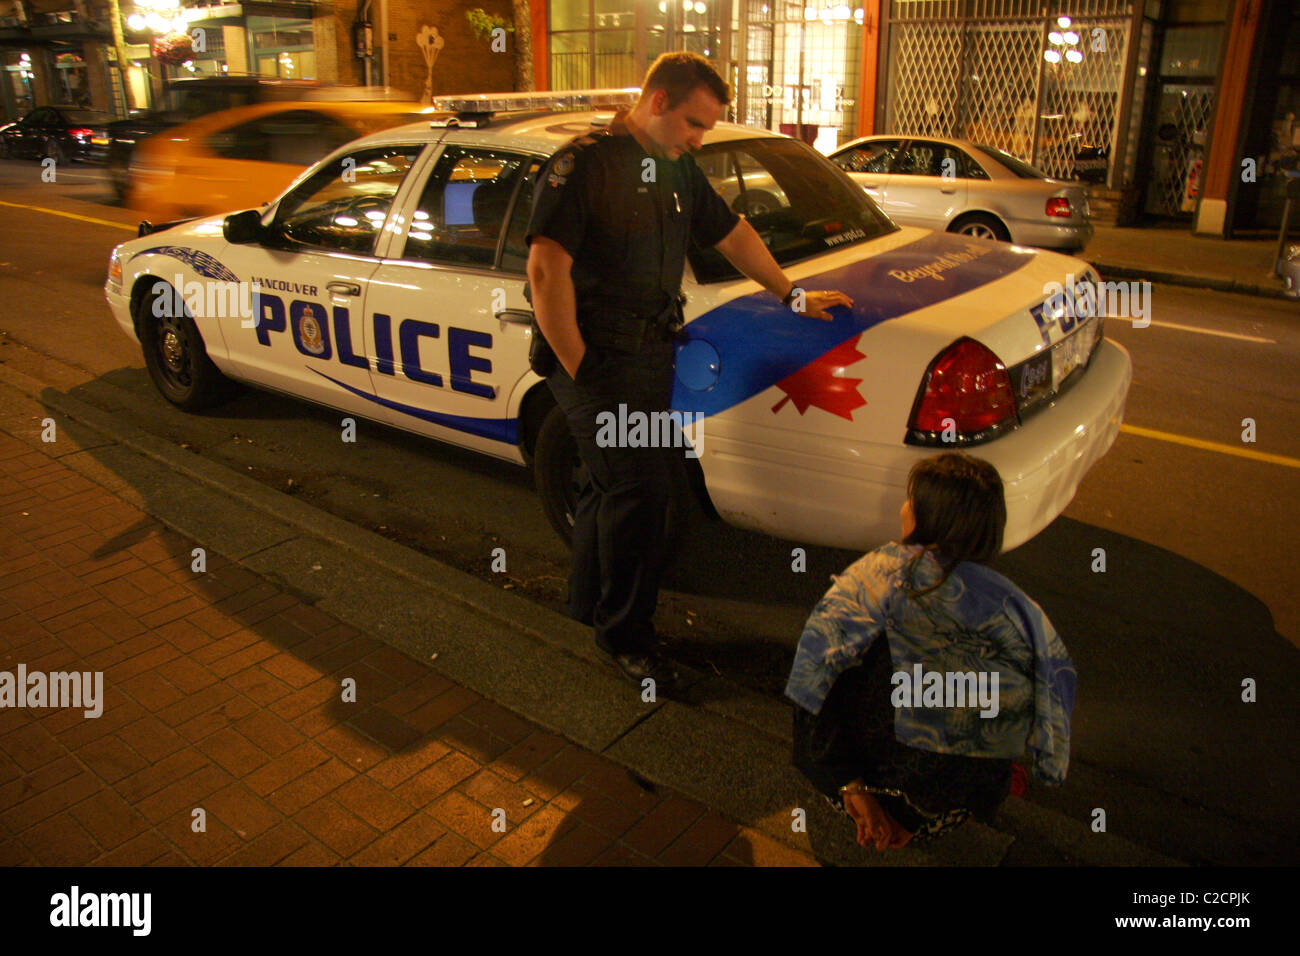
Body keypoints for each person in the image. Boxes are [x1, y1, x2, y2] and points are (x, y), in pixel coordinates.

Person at [526, 52, 853, 694]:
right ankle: (625, 637)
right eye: (695, 123)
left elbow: (732, 234)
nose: (700, 139)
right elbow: (546, 271)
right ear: (657, 103)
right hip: (594, 360)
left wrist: (792, 294)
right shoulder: (584, 164)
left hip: (647, 354)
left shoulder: (675, 168)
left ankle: (589, 602)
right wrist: (582, 368)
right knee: (641, 495)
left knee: (607, 486)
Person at [785, 452, 1076, 850]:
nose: (904, 508)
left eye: (911, 500)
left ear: (930, 521)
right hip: (937, 807)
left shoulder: (869, 589)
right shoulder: (1009, 619)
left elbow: (814, 694)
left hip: (857, 778)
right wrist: (918, 819)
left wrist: (853, 790)